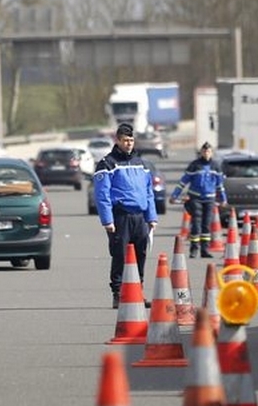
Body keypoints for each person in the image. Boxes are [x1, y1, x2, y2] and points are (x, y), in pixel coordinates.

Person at [93, 123, 157, 309]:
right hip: (120, 217)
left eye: (131, 140)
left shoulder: (141, 164)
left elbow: (148, 192)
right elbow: (102, 194)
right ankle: (118, 294)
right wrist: (107, 220)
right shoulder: (107, 164)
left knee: (141, 255)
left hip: (139, 218)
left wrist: (151, 217)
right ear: (118, 140)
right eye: (125, 140)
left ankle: (138, 292)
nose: (129, 144)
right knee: (120, 255)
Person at [171, 142, 226, 257]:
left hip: (209, 199)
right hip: (195, 198)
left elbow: (219, 185)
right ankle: (194, 249)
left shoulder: (216, 166)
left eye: (209, 151)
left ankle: (204, 250)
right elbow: (183, 182)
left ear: (212, 153)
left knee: (206, 225)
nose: (206, 153)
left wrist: (223, 199)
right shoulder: (194, 165)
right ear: (201, 152)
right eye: (204, 151)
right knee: (196, 224)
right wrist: (175, 195)